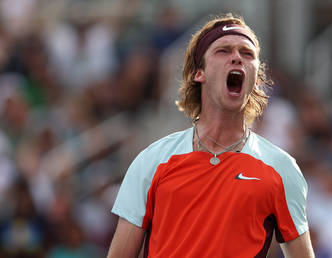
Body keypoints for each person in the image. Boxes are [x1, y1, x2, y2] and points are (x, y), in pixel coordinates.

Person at [107, 13, 315, 258]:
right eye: (223, 51)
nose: (237, 57)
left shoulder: (281, 168)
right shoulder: (152, 160)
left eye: (247, 54)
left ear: (256, 78)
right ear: (199, 73)